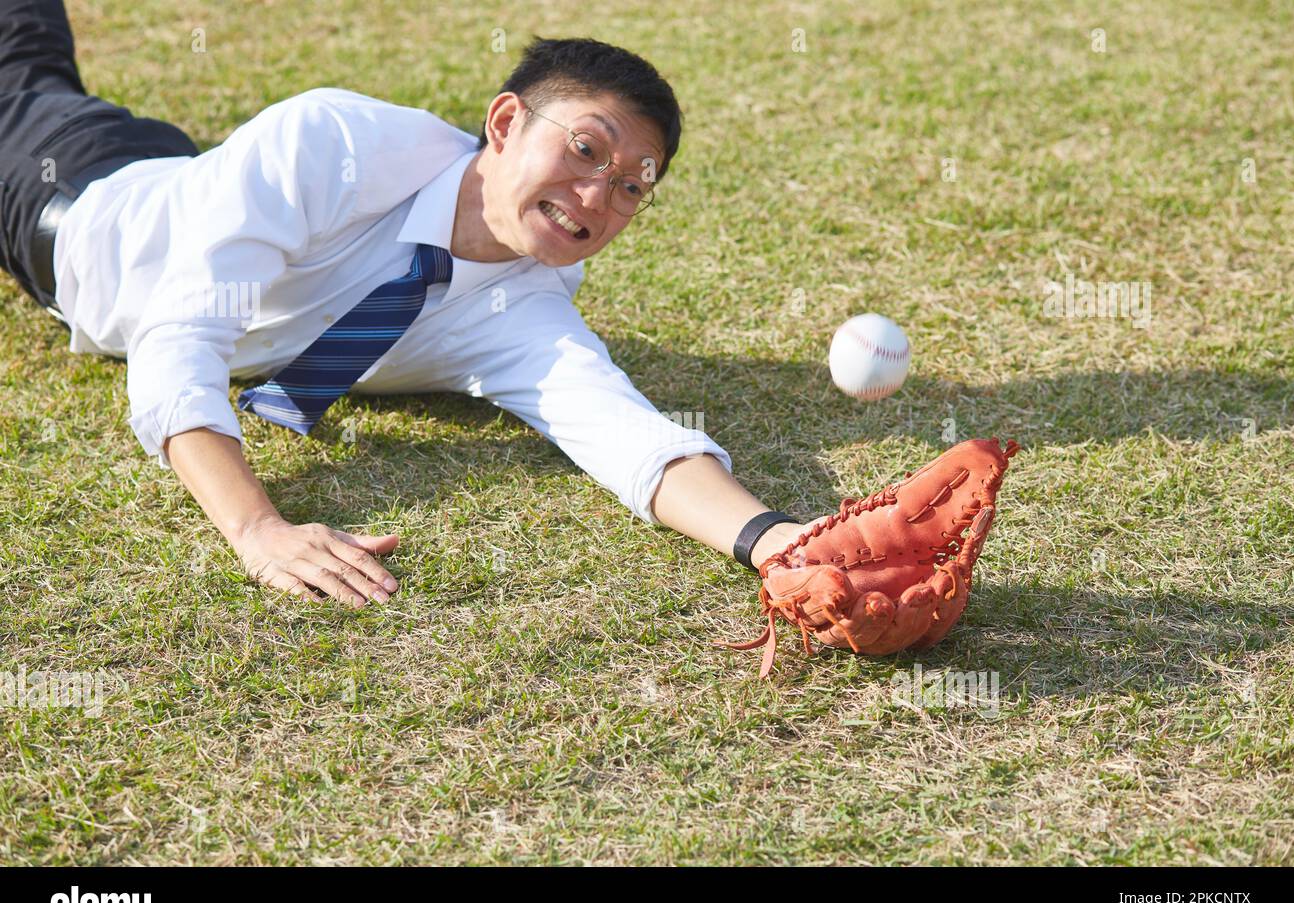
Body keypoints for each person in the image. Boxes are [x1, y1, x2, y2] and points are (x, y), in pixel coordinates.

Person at [0, 2, 813, 608]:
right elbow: (177, 343)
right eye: (585, 148)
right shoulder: (332, 145)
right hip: (66, 200)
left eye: (633, 185)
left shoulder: (525, 307)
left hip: (172, 174)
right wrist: (259, 531)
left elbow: (629, 437)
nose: (598, 194)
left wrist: (776, 542)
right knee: (21, 66)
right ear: (504, 121)